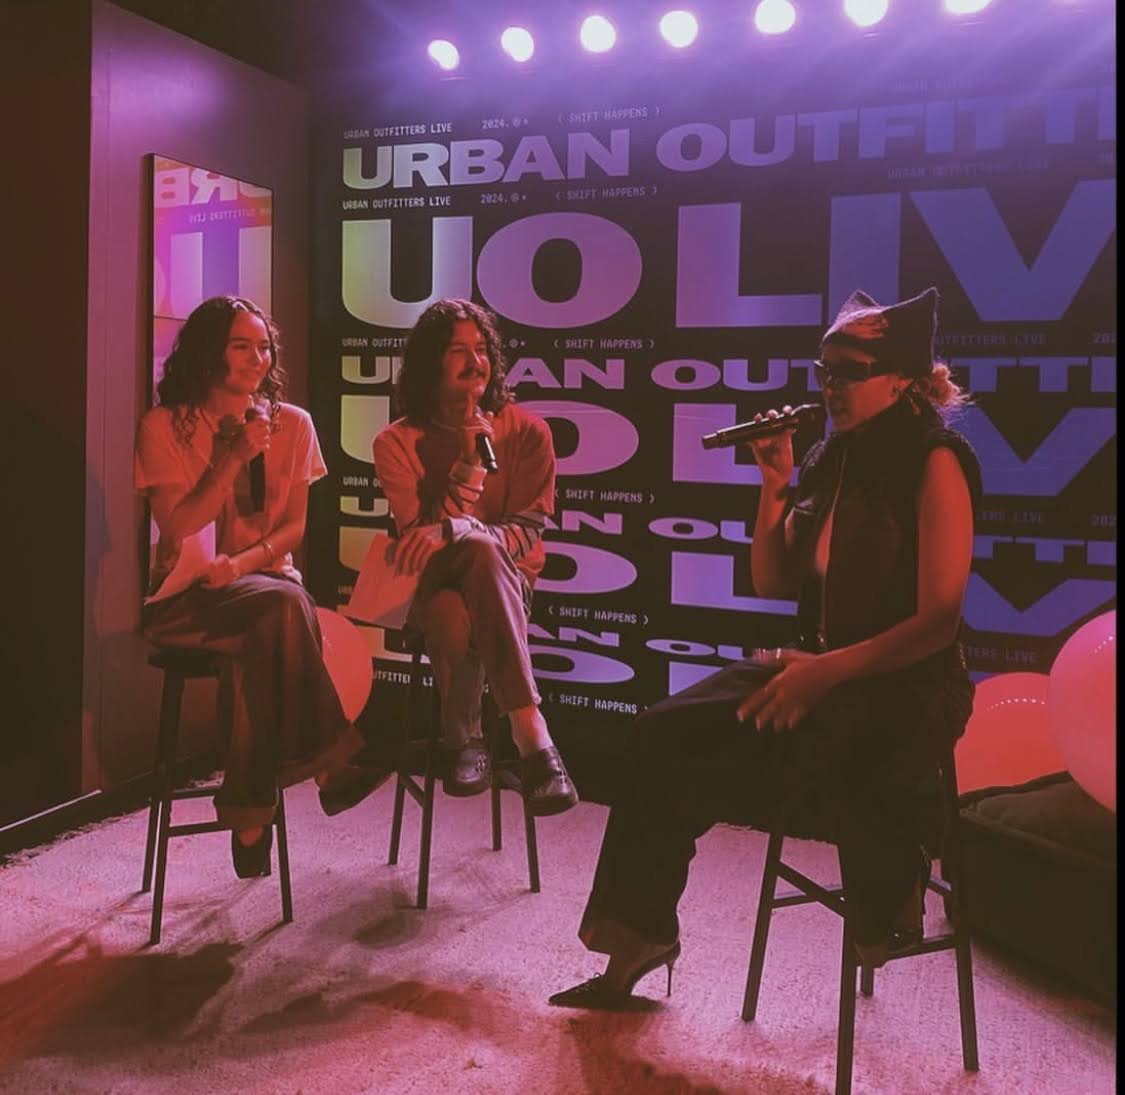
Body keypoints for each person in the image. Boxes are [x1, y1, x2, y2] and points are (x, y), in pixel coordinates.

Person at [549, 287, 981, 1007]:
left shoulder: (936, 459)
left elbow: (938, 620)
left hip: (907, 682)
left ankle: (890, 890)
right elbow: (771, 577)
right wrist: (774, 478)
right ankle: (636, 942)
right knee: (661, 734)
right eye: (823, 370)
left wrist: (825, 674)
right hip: (814, 666)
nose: (829, 386)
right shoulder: (830, 455)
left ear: (901, 375)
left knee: (853, 749)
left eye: (849, 370)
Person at [135, 296, 388, 879]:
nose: (257, 357)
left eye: (263, 345)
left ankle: (252, 812)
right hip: (185, 599)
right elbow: (176, 525)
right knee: (283, 606)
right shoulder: (164, 426)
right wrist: (231, 457)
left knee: (272, 617)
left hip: (262, 589)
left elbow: (296, 527)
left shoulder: (293, 424)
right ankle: (329, 763)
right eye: (240, 345)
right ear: (207, 354)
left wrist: (243, 562)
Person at [372, 298, 578, 816]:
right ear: (430, 363)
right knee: (458, 574)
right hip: (430, 579)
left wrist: (457, 528)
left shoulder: (528, 432)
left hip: (507, 588)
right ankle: (534, 737)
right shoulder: (395, 442)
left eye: (482, 349)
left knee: (460, 597)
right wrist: (468, 468)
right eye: (458, 351)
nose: (475, 362)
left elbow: (527, 533)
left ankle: (460, 738)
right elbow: (418, 543)